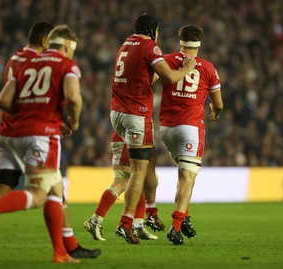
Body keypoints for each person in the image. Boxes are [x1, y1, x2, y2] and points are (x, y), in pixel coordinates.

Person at [0, 21, 99, 260]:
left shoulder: (17, 59)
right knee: (40, 191)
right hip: (36, 131)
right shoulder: (47, 62)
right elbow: (72, 97)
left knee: (37, 186)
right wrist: (43, 115)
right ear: (47, 42)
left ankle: (64, 248)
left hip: (7, 131)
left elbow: (4, 100)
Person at [110, 14, 196, 244]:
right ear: (154, 31)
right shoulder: (150, 46)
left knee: (149, 161)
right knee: (139, 170)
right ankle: (126, 222)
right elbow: (169, 77)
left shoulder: (127, 43)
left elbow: (146, 78)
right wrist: (187, 69)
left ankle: (149, 212)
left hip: (116, 111)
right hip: (135, 113)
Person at [159, 25, 223, 245]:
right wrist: (215, 111)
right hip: (191, 129)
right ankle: (176, 226)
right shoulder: (208, 68)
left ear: (180, 41)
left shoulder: (166, 60)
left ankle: (184, 217)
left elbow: (150, 81)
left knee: (183, 175)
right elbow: (219, 104)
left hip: (166, 129)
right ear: (200, 44)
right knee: (188, 178)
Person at [84, 132, 165, 241]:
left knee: (139, 179)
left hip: (131, 138)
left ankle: (137, 224)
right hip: (130, 139)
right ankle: (95, 221)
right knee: (123, 182)